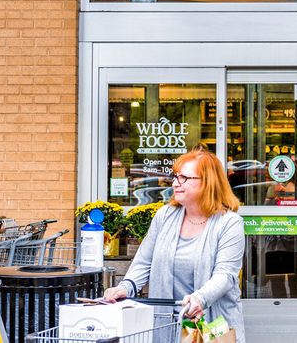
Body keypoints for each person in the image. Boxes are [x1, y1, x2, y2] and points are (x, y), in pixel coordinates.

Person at [104, 147, 245, 343]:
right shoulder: (165, 216)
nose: (175, 183)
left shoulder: (229, 223)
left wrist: (200, 298)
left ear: (207, 182)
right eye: (176, 176)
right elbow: (144, 262)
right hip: (166, 325)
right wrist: (126, 287)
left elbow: (225, 275)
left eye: (184, 178)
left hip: (211, 325)